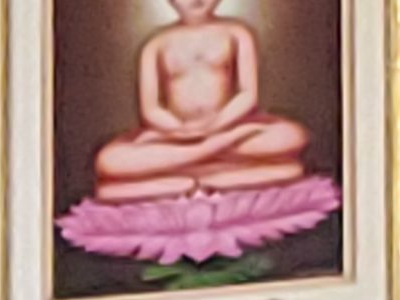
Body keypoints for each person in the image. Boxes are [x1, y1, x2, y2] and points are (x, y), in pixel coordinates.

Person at [92, 0, 311, 202]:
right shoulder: (155, 45)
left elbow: (247, 94)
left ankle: (183, 178)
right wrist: (179, 130)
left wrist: (218, 126)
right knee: (109, 159)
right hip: (176, 136)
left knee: (290, 135)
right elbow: (151, 108)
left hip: (228, 127)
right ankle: (215, 169)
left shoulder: (237, 33)